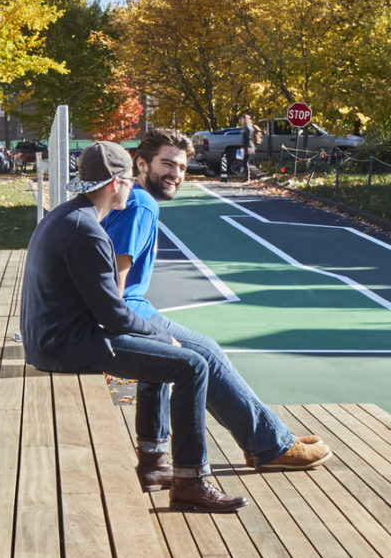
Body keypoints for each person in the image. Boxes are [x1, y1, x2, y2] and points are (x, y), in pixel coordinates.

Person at [20, 140, 244, 512]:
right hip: (66, 345)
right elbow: (113, 314)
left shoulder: (67, 216)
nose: (132, 189)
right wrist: (165, 337)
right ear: (115, 184)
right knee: (191, 364)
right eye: (128, 182)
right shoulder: (87, 231)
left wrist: (154, 338)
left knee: (156, 355)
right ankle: (191, 480)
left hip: (54, 337)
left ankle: (155, 462)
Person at [103, 126, 331, 491]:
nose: (175, 174)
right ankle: (270, 445)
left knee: (168, 355)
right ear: (141, 163)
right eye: (166, 164)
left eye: (180, 166)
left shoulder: (129, 199)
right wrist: (114, 328)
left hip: (127, 309)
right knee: (204, 352)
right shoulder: (141, 205)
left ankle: (154, 458)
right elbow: (116, 273)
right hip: (125, 310)